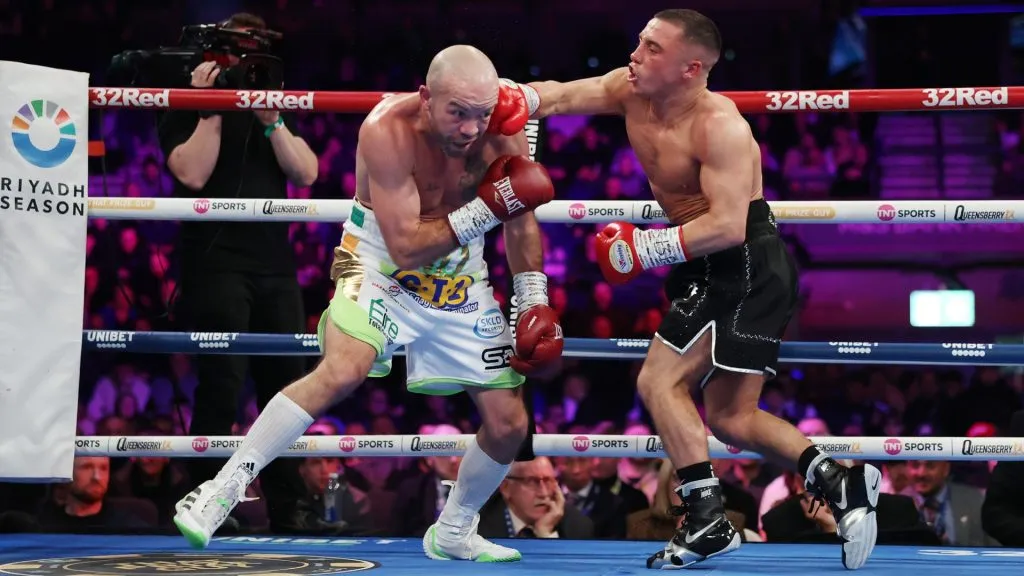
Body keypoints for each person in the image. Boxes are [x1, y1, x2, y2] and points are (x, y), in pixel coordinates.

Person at [488, 8, 880, 570]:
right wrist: (517, 95)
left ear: (690, 68)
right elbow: (561, 96)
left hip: (742, 264)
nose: (636, 54)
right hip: (712, 267)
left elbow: (728, 224)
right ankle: (839, 483)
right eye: (640, 42)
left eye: (652, 48)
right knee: (729, 417)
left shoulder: (719, 126)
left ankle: (707, 519)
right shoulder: (629, 89)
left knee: (659, 379)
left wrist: (645, 249)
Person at [172, 44, 563, 564]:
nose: (472, 128)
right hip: (378, 261)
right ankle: (221, 489)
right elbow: (405, 245)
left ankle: (454, 529)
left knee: (510, 423)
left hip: (461, 274)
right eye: (458, 113)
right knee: (344, 367)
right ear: (426, 98)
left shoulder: (502, 127)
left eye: (481, 113)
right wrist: (489, 205)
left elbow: (520, 219)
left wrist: (531, 297)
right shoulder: (386, 130)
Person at [157, 11, 317, 534]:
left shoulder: (268, 96)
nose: (243, 67)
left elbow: (307, 172)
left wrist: (272, 119)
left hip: (274, 264)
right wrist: (211, 110)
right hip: (215, 264)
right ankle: (207, 503)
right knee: (221, 386)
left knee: (288, 386)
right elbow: (192, 173)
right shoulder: (185, 96)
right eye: (236, 56)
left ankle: (291, 506)